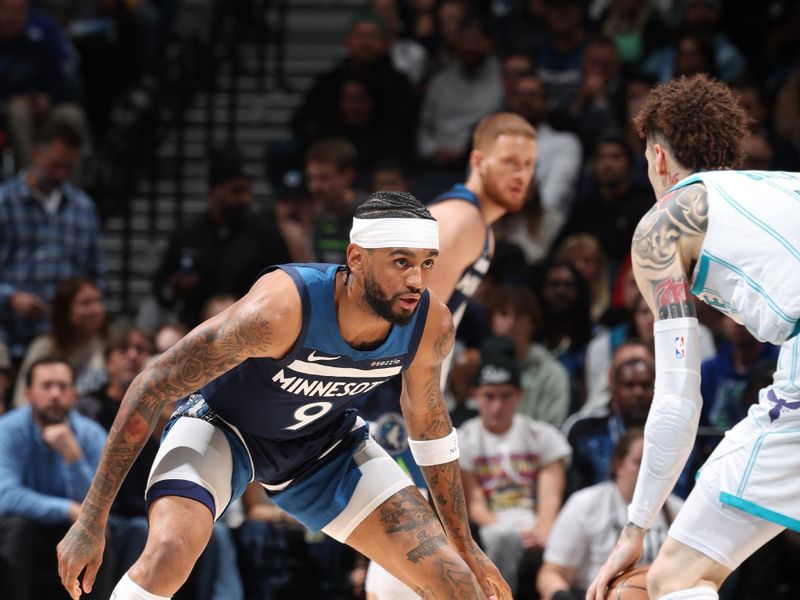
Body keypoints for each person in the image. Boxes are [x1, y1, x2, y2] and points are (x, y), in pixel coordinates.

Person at [57, 191, 511, 600]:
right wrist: (92, 518)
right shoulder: (281, 308)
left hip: (324, 444)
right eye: (401, 261)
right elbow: (152, 384)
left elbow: (431, 429)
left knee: (457, 583)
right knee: (169, 553)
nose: (417, 279)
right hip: (223, 428)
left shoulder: (431, 324)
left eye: (427, 263)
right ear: (356, 258)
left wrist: (465, 542)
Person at [587, 74, 800, 600]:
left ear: (658, 158)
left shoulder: (664, 225)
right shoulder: (786, 184)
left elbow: (680, 397)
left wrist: (636, 527)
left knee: (677, 579)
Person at [361, 111, 537, 600]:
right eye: (509, 162)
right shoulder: (462, 221)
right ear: (478, 161)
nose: (521, 174)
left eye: (529, 164)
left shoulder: (477, 225)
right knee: (413, 547)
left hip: (395, 391)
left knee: (403, 550)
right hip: (386, 395)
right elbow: (398, 316)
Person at [458, 344, 571, 597]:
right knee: (502, 536)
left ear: (519, 395)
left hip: (538, 526)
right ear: (475, 395)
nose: (497, 406)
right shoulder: (463, 439)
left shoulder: (542, 436)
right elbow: (473, 504)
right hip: (492, 529)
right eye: (489, 396)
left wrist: (543, 531)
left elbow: (551, 497)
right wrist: (513, 533)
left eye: (505, 396)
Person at [0, 357, 113, 599]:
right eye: (46, 386)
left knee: (99, 529)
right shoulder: (7, 430)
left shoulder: (92, 435)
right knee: (18, 527)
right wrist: (67, 509)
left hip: (71, 530)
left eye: (62, 387)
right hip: (25, 530)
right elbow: (5, 495)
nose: (55, 394)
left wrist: (73, 458)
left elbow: (101, 503)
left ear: (74, 393)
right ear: (28, 393)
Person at [0, 118, 105, 362]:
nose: (62, 173)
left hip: (64, 340)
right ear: (36, 153)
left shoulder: (83, 207)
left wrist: (90, 308)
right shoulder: (4, 202)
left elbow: (96, 274)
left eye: (68, 167)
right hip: (7, 333)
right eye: (56, 164)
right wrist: (10, 297)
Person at [151, 146, 290, 329]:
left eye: (248, 191)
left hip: (252, 328)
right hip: (195, 327)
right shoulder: (189, 233)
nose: (245, 199)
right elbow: (162, 289)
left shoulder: (264, 233)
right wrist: (177, 286)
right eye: (236, 191)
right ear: (214, 191)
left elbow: (286, 283)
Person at [537, 429, 682, 600]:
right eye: (639, 462)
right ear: (618, 466)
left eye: (655, 465)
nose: (647, 472)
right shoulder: (584, 504)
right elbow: (550, 574)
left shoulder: (678, 509)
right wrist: (562, 596)